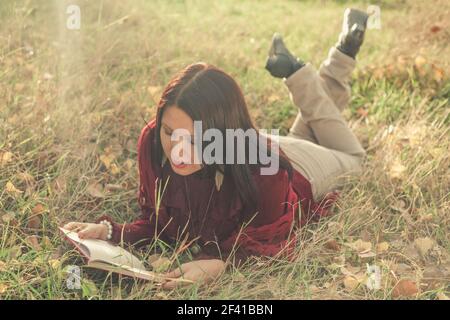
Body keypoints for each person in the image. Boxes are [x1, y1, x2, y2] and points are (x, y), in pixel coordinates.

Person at [63, 8, 369, 289]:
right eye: (171, 132)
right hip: (261, 151)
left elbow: (270, 242)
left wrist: (220, 264)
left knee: (355, 159)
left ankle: (305, 69)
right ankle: (338, 55)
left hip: (301, 168)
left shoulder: (266, 171)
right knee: (315, 125)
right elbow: (159, 221)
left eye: (195, 140)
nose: (177, 150)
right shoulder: (154, 141)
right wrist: (109, 232)